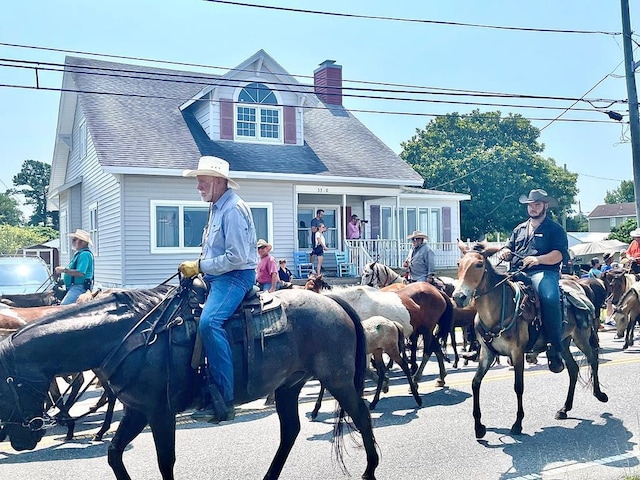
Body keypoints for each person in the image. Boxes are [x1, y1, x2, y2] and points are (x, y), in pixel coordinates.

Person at [178, 156, 258, 423]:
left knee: (210, 323)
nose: (198, 187)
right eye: (198, 182)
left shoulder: (233, 209)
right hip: (217, 274)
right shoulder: (217, 206)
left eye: (202, 182)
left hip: (234, 276)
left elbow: (236, 257)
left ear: (219, 181)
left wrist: (200, 265)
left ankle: (225, 398)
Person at [496, 188, 568, 374]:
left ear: (545, 206)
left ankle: (554, 346)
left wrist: (539, 259)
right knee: (490, 292)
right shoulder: (519, 229)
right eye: (530, 205)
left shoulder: (555, 229)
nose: (533, 208)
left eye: (537, 205)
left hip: (543, 272)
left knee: (550, 297)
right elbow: (509, 246)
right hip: (516, 272)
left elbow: (559, 254)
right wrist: (504, 250)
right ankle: (483, 341)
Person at [55, 229, 95, 305]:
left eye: (74, 240)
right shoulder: (79, 254)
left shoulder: (84, 254)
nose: (72, 242)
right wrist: (63, 281)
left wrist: (63, 270)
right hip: (74, 287)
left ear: (82, 242)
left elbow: (80, 273)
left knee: (63, 307)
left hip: (79, 288)